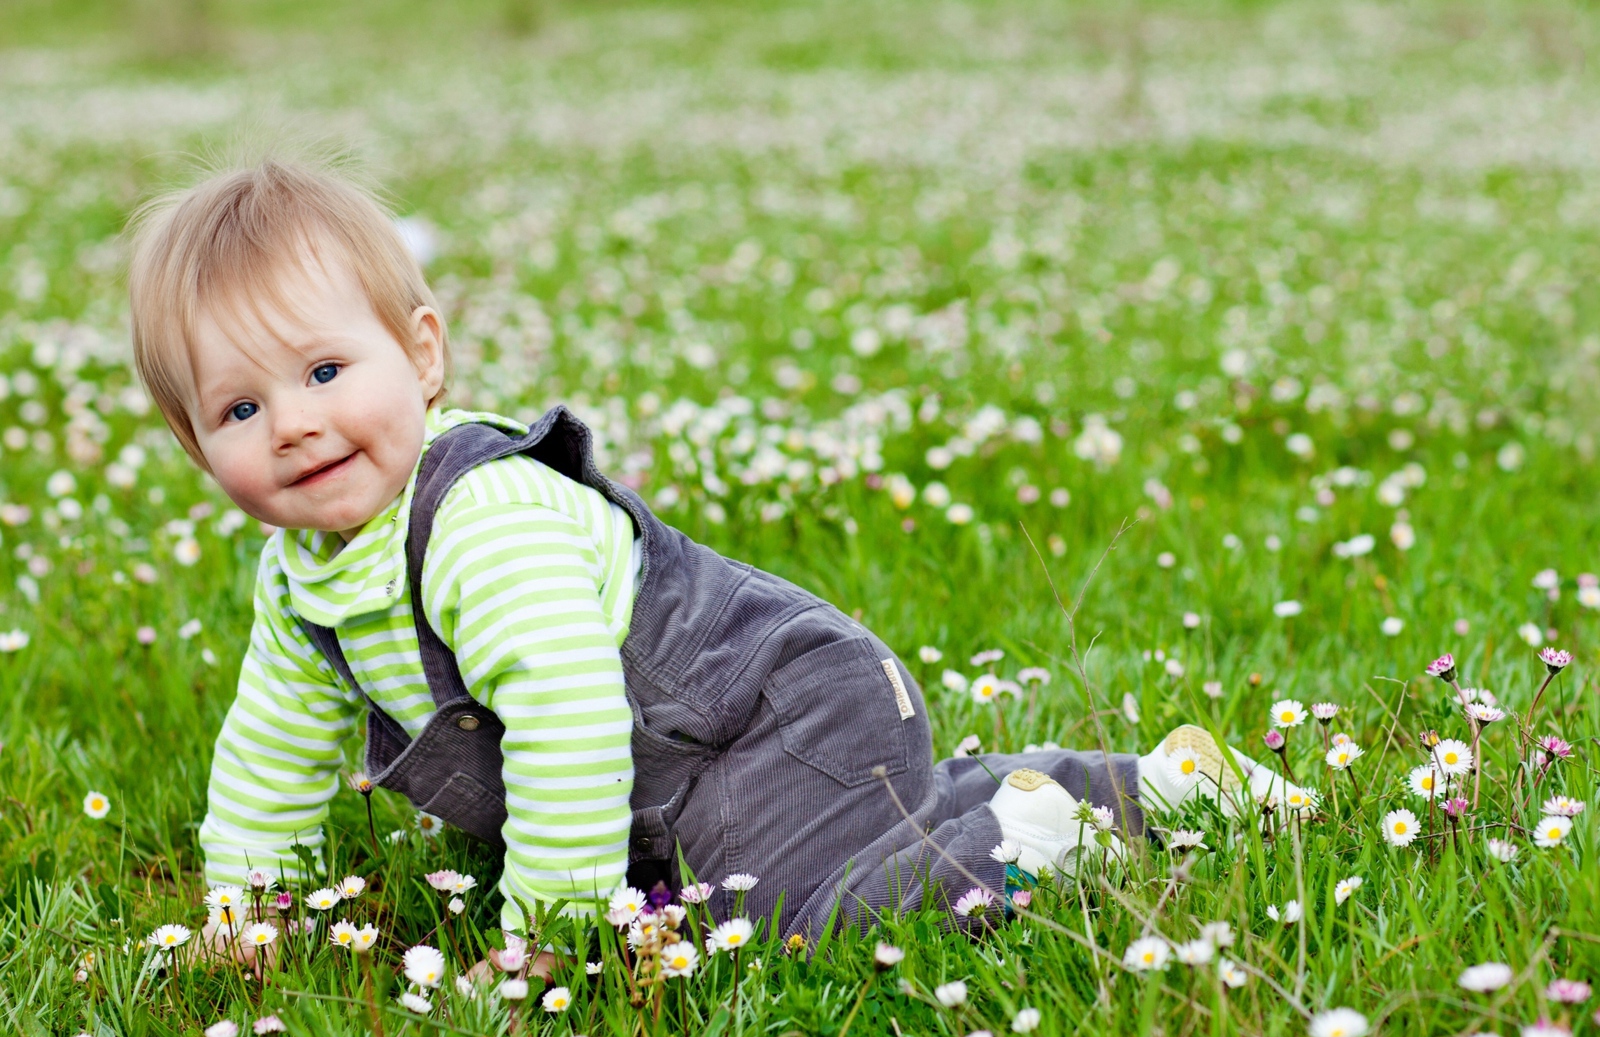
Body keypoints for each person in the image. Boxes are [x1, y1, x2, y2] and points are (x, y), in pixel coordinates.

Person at [127, 158, 1286, 972]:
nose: (292, 423)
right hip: (681, 779)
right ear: (195, 445)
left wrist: (551, 936)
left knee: (798, 924)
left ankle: (1043, 833)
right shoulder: (302, 582)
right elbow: (269, 756)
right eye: (239, 405)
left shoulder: (480, 522)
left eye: (326, 372)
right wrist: (244, 912)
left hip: (775, 714)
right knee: (756, 883)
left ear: (420, 355)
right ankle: (1138, 782)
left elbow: (573, 719)